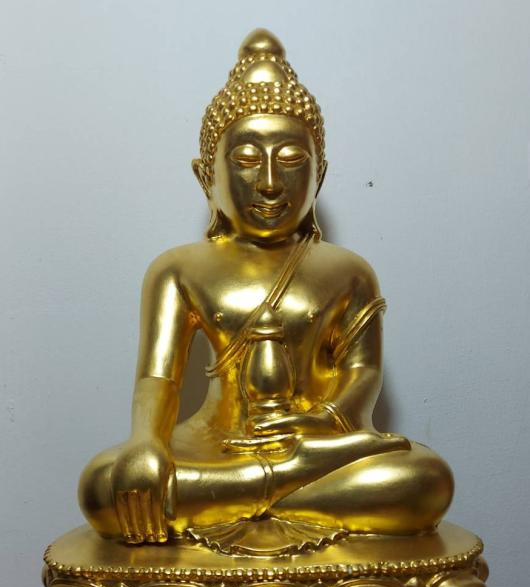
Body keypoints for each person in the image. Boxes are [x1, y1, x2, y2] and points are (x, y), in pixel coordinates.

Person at [79, 30, 453, 548]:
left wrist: (322, 422)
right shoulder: (177, 269)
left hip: (316, 446)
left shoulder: (349, 272)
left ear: (320, 176)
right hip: (212, 450)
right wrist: (145, 443)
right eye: (247, 159)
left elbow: (362, 374)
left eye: (293, 159)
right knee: (103, 485)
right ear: (205, 177)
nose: (271, 182)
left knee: (424, 479)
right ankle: (276, 488)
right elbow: (157, 379)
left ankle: (240, 496)